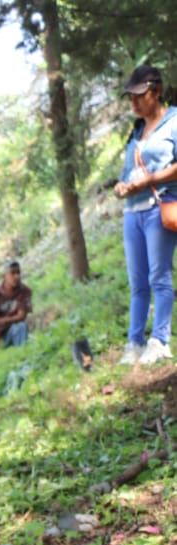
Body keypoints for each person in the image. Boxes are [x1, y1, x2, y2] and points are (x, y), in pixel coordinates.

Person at [114, 64, 177, 366]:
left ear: (157, 91)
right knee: (137, 282)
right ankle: (134, 343)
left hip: (159, 207)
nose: (134, 103)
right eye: (131, 97)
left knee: (159, 276)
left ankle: (160, 340)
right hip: (132, 212)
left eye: (140, 95)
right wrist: (121, 186)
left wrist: (150, 180)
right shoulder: (136, 131)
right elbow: (129, 171)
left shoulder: (174, 121)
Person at [0, 260, 32, 352]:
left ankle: (22, 352)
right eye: (12, 273)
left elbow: (21, 316)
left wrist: (1, 321)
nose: (17, 276)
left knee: (21, 326)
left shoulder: (25, 291)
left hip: (15, 330)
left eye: (18, 272)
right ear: (4, 276)